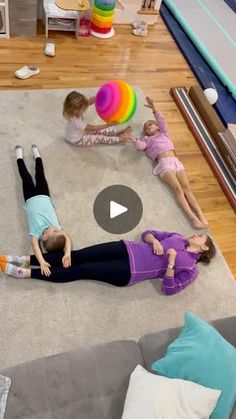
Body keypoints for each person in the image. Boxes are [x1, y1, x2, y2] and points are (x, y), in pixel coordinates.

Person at [0, 230, 216, 296]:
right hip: (125, 247)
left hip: (128, 272)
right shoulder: (177, 237)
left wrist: (169, 264)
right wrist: (155, 241)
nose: (195, 235)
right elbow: (146, 233)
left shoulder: (191, 269)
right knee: (78, 255)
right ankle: (25, 259)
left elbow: (169, 289)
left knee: (81, 269)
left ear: (204, 248)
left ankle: (25, 273)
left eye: (200, 237)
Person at [133, 97, 208, 229]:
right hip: (164, 164)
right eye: (146, 127)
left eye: (150, 124)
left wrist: (154, 109)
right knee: (178, 190)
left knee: (187, 189)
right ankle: (192, 217)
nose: (148, 126)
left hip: (176, 162)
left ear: (157, 127)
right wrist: (133, 139)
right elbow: (140, 146)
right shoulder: (147, 139)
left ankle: (200, 214)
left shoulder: (164, 133)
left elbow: (162, 121)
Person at [13, 145, 72, 276]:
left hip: (29, 197)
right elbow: (66, 237)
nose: (57, 229)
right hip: (44, 194)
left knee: (25, 176)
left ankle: (19, 157)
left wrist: (42, 262)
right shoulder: (55, 227)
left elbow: (35, 246)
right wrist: (67, 254)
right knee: (40, 173)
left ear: (44, 237)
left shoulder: (36, 233)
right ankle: (37, 156)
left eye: (55, 231)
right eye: (58, 231)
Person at [63, 91, 133, 146]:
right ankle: (120, 139)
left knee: (100, 131)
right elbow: (93, 128)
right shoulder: (76, 121)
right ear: (76, 109)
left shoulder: (74, 111)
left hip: (81, 131)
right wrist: (108, 124)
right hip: (77, 139)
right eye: (83, 108)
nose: (85, 108)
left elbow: (88, 102)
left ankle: (118, 132)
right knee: (99, 138)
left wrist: (99, 96)